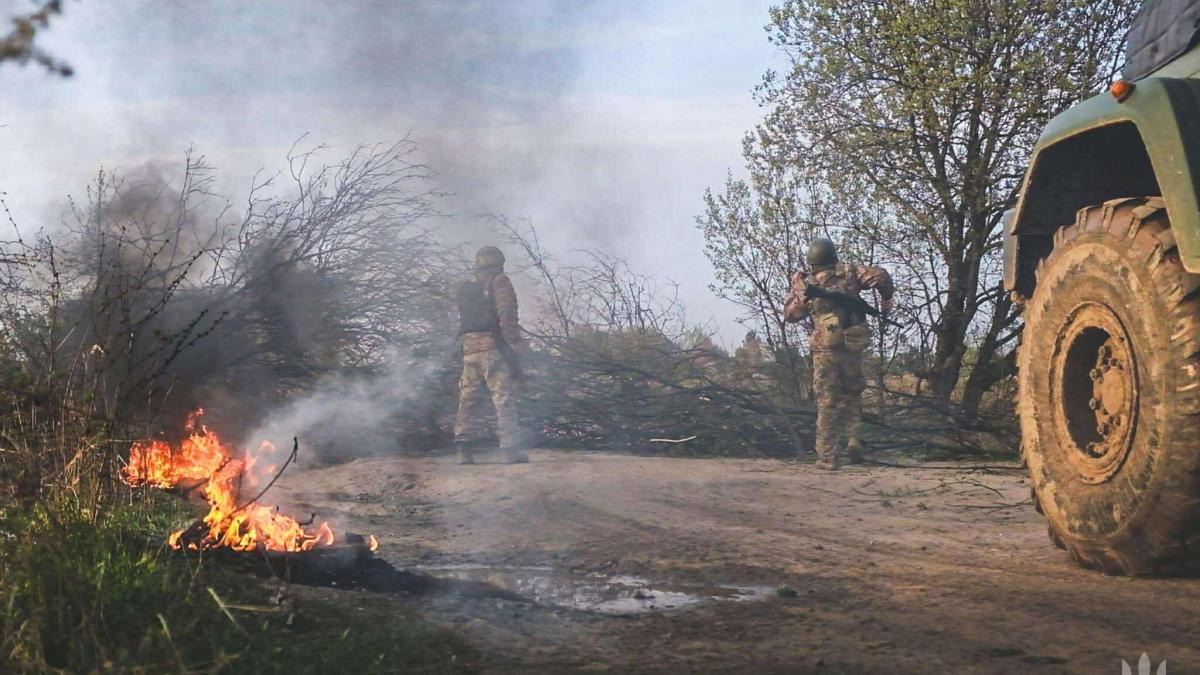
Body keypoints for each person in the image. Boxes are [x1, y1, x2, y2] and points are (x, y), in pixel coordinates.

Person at [784, 238, 894, 470]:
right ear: (833, 256)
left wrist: (797, 290)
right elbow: (881, 276)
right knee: (852, 393)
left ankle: (828, 457)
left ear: (811, 262)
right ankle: (853, 438)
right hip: (852, 344)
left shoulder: (806, 282)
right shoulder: (851, 272)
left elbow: (792, 315)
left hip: (825, 348)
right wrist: (886, 299)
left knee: (827, 401)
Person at [454, 246, 529, 465]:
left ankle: (463, 449)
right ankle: (510, 449)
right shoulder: (499, 281)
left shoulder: (466, 286)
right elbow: (507, 313)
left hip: (468, 348)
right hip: (492, 347)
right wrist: (514, 343)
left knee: (467, 398)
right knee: (503, 397)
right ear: (499, 263)